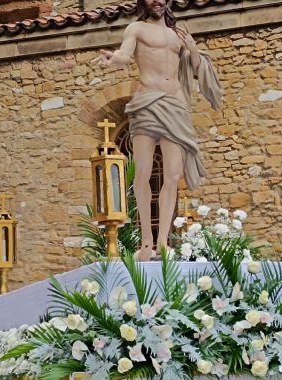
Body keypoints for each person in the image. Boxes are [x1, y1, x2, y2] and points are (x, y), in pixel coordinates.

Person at [90, 0, 222, 261]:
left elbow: (196, 67)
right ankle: (146, 241)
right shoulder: (136, 29)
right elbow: (126, 55)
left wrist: (193, 50)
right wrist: (113, 59)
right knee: (143, 173)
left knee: (172, 175)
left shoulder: (178, 33)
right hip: (147, 102)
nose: (157, 1)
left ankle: (163, 240)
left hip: (175, 104)